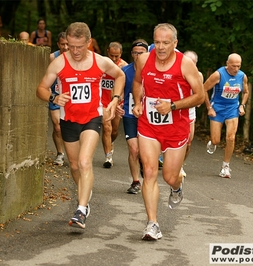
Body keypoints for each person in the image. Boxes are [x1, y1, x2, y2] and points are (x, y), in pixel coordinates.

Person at [36, 22, 125, 229]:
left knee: (85, 162)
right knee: (74, 165)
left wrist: (114, 99)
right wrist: (53, 97)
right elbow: (40, 88)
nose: (74, 51)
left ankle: (81, 209)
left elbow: (120, 76)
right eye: (70, 46)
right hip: (69, 120)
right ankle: (84, 191)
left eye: (79, 46)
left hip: (92, 118)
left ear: (89, 43)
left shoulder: (100, 62)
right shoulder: (59, 63)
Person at [132, 23, 204, 240]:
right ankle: (152, 224)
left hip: (176, 126)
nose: (160, 47)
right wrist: (137, 102)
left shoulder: (186, 65)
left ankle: (177, 186)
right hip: (148, 125)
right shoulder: (144, 59)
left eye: (165, 42)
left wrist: (172, 105)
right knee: (150, 171)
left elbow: (199, 96)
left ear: (175, 43)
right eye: (157, 42)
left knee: (169, 176)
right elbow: (137, 82)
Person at [204, 53, 249, 178]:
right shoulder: (218, 75)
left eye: (238, 66)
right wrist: (209, 107)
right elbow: (203, 89)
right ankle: (212, 143)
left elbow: (246, 92)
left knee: (231, 138)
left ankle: (225, 166)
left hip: (232, 109)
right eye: (233, 66)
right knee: (216, 140)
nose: (236, 69)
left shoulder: (242, 76)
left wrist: (242, 105)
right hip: (217, 109)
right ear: (227, 63)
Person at [120, 39, 149, 194]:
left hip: (149, 116)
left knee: (145, 151)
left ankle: (145, 166)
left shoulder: (154, 70)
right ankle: (136, 181)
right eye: (135, 53)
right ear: (131, 54)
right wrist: (117, 105)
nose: (138, 56)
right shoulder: (125, 71)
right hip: (130, 114)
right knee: (134, 149)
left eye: (141, 53)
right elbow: (118, 92)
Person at [101, 42, 128, 168]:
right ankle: (108, 157)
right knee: (107, 127)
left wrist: (118, 100)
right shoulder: (101, 64)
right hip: (103, 101)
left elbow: (126, 88)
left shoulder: (124, 67)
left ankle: (110, 144)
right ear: (107, 52)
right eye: (111, 55)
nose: (114, 59)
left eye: (116, 56)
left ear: (120, 54)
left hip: (117, 102)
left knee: (115, 130)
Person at [180, 50, 204, 177]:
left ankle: (180, 165)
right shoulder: (175, 73)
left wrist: (196, 100)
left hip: (189, 112)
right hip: (174, 111)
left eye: (192, 62)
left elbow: (200, 97)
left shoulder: (199, 76)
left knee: (188, 143)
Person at [49, 32, 69, 166]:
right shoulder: (52, 57)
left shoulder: (76, 56)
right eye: (63, 44)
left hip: (70, 98)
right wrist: (51, 93)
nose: (66, 47)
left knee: (71, 127)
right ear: (58, 44)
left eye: (68, 44)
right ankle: (60, 154)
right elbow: (46, 77)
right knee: (57, 127)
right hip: (56, 97)